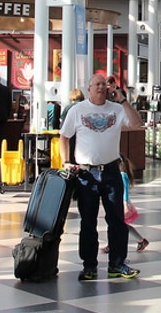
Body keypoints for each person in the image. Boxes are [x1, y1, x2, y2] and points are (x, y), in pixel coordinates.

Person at [59, 72, 144, 281]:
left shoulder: (116, 109)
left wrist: (122, 99)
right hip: (87, 173)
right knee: (88, 221)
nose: (101, 87)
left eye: (104, 84)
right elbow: (64, 136)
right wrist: (65, 161)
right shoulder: (78, 110)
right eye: (96, 84)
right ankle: (89, 266)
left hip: (112, 171)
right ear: (88, 89)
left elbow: (136, 123)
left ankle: (117, 264)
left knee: (116, 220)